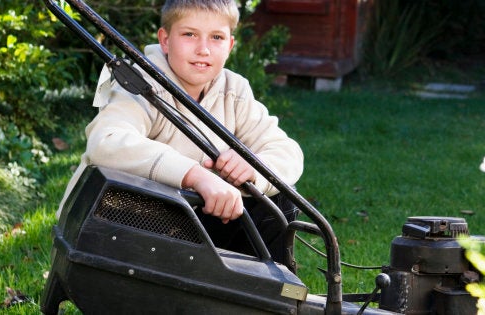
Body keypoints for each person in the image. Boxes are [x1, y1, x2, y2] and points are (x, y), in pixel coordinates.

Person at [57, 0, 303, 263]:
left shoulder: (234, 91)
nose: (203, 49)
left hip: (193, 223)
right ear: (165, 40)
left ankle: (270, 296)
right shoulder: (141, 84)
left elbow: (286, 150)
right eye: (189, 34)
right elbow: (106, 142)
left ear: (230, 45)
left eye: (217, 37)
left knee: (279, 201)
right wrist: (195, 175)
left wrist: (253, 167)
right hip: (125, 225)